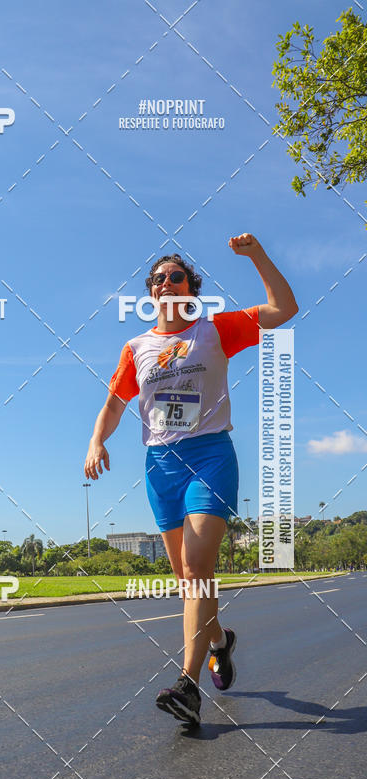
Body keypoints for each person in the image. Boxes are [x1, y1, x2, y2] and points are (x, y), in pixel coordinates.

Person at [84, 234, 297, 725]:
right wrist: (97, 441)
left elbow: (283, 308)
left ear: (191, 287)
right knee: (189, 583)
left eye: (175, 276)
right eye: (157, 278)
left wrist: (258, 256)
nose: (165, 283)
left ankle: (188, 685)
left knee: (198, 572)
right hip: (160, 465)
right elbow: (114, 404)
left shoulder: (215, 330)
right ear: (151, 292)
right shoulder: (136, 346)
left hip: (209, 457)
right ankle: (221, 641)